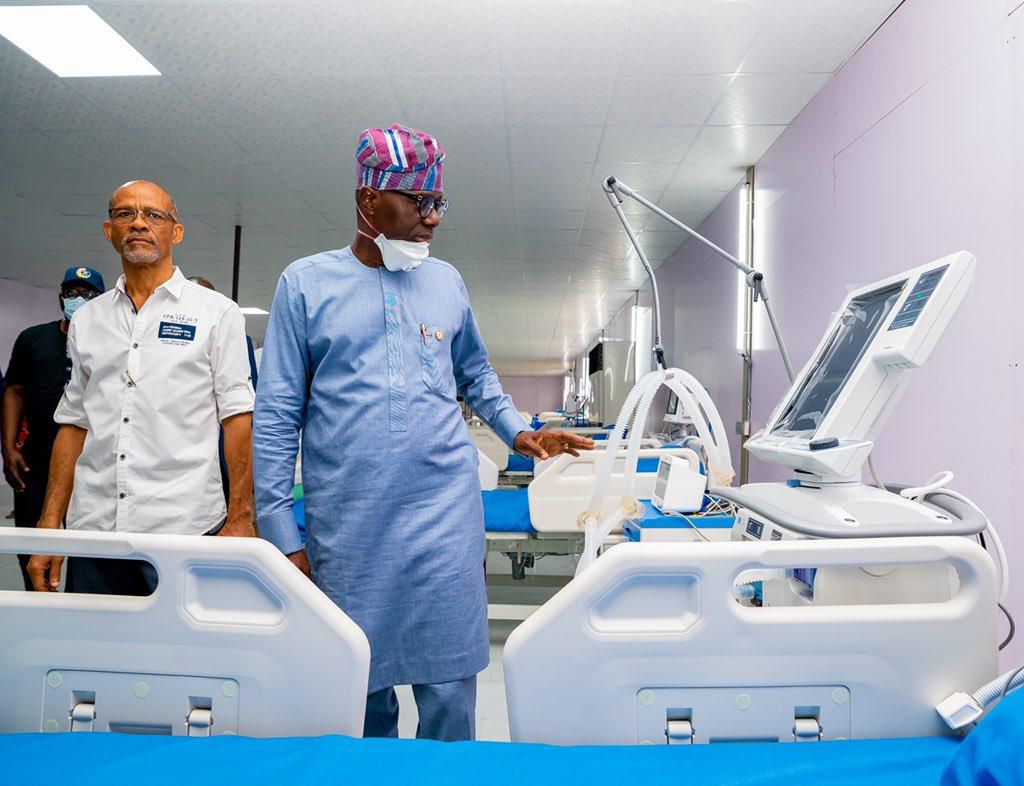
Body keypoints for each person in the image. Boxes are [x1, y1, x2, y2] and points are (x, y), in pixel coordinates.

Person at [253, 124, 593, 742]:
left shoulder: (447, 283)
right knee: (362, 692)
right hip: (349, 527)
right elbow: (277, 413)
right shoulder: (304, 284)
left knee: (448, 690)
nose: (434, 221)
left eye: (439, 204)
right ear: (368, 200)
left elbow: (477, 373)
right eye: (420, 203)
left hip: (444, 515)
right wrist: (279, 531)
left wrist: (519, 432)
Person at [26, 180, 256, 596]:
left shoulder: (216, 313)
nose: (139, 224)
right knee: (96, 653)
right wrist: (49, 524)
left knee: (181, 657)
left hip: (183, 528)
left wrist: (242, 515)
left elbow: (238, 417)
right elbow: (74, 423)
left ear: (176, 232)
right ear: (108, 230)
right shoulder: (88, 320)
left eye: (154, 215)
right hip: (94, 528)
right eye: (125, 214)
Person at [2, 266, 105, 590]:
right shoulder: (34, 338)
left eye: (87, 294)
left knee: (89, 547)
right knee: (33, 540)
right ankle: (39, 602)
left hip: (93, 461)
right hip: (38, 458)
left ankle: (80, 606)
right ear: (61, 297)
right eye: (72, 293)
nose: (79, 299)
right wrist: (8, 450)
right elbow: (14, 391)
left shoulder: (111, 343)